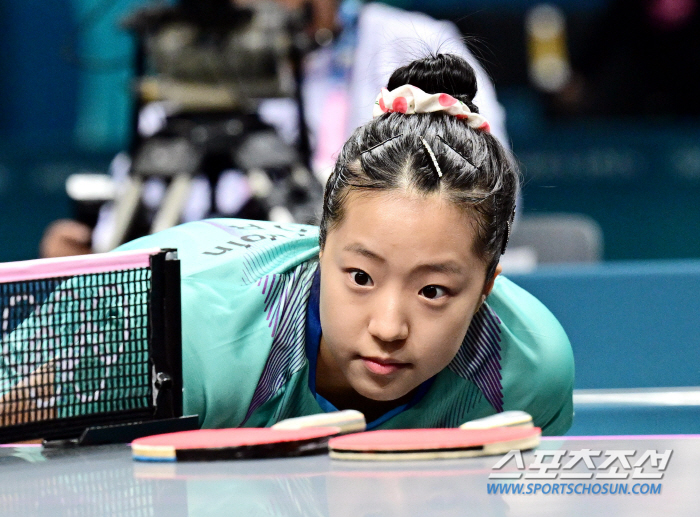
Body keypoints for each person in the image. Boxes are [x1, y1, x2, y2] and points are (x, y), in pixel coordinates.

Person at [116, 54, 574, 434]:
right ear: (321, 247)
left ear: (486, 289)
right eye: (361, 277)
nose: (389, 328)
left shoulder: (524, 371)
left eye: (432, 291)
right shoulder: (187, 345)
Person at [40, 0, 511, 258]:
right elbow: (138, 208)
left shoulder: (410, 44)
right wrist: (92, 260)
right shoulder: (195, 61)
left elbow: (481, 193)